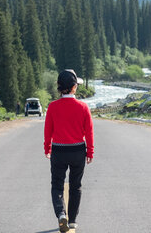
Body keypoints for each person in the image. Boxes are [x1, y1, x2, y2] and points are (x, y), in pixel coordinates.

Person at [44, 69, 94, 232]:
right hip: (78, 150)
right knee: (75, 185)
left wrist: (47, 148)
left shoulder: (52, 107)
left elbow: (48, 130)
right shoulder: (83, 107)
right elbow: (89, 132)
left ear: (59, 87)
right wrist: (90, 151)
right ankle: (72, 220)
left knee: (57, 185)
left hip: (58, 151)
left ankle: (61, 214)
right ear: (74, 87)